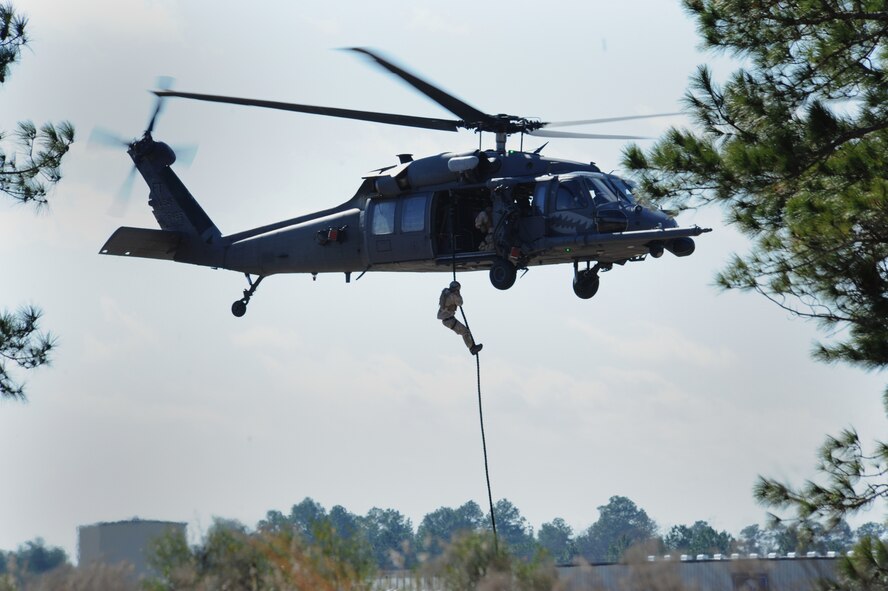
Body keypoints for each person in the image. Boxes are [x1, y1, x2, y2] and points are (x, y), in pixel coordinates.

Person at [437, 281, 482, 355]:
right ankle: (472, 348)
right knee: (465, 332)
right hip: (449, 320)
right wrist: (458, 294)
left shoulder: (445, 292)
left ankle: (472, 347)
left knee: (464, 331)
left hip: (447, 319)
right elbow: (460, 303)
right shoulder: (454, 295)